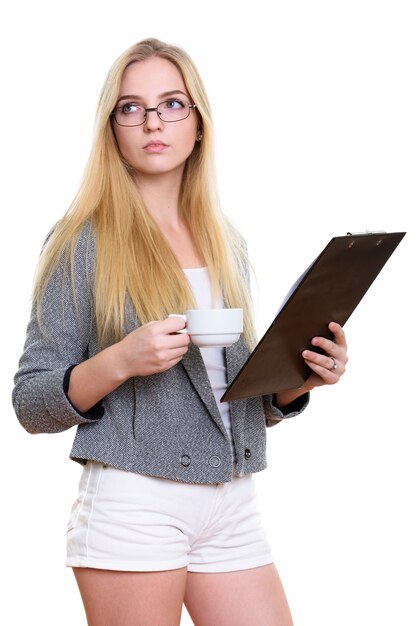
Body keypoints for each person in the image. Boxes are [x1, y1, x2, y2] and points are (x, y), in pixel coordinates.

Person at [12, 37, 348, 626]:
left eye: (172, 104)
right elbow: (31, 404)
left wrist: (299, 380)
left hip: (232, 497)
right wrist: (121, 360)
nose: (151, 122)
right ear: (112, 127)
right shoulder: (79, 243)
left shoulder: (226, 241)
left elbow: (235, 400)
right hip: (134, 502)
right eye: (131, 108)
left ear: (198, 124)